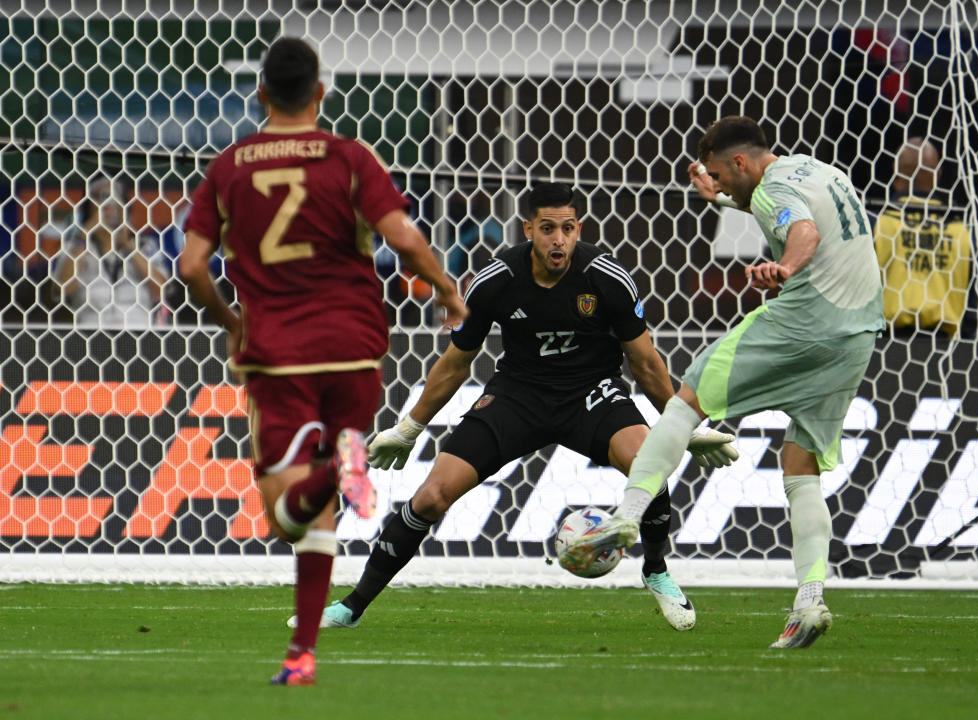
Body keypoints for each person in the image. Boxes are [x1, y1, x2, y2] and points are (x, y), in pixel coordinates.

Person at [294, 182, 738, 634]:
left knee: (651, 465)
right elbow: (455, 365)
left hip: (591, 393)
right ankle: (353, 605)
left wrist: (686, 427)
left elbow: (645, 364)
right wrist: (410, 428)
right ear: (529, 229)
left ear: (578, 229)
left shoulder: (606, 277)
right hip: (517, 395)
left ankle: (657, 570)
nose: (559, 240)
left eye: (568, 228)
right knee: (430, 497)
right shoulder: (496, 280)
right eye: (547, 229)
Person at [178, 37, 466, 686]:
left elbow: (192, 265)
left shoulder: (230, 166)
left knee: (286, 515)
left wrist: (230, 323)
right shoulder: (350, 157)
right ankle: (302, 653)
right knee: (321, 511)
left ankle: (336, 470)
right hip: (357, 350)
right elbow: (402, 237)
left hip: (278, 356)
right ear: (321, 93)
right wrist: (447, 291)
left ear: (259, 95)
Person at [564, 116, 885, 649]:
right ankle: (810, 599)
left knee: (685, 400)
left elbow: (802, 232)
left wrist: (783, 269)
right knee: (801, 464)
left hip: (807, 321)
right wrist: (720, 199)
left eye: (720, 174)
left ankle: (626, 519)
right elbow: (802, 216)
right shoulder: (822, 172)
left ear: (740, 162)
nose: (720, 183)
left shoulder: (773, 189)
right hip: (858, 336)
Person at [873, 137, 972, 337]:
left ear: (895, 170)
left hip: (888, 346)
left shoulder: (879, 223)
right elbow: (974, 307)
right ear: (938, 176)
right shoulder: (960, 230)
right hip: (949, 351)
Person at [56, 175, 168, 329]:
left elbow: (161, 290)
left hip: (139, 334)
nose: (109, 207)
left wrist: (129, 247)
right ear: (89, 208)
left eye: (115, 199)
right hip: (90, 336)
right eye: (102, 199)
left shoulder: (144, 245)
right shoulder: (74, 247)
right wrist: (84, 236)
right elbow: (63, 289)